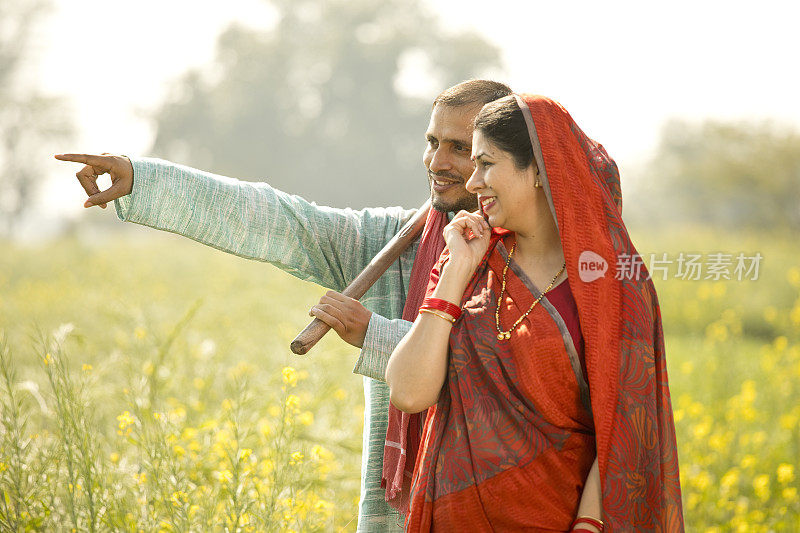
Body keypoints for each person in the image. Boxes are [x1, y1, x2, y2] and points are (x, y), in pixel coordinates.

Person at [54, 79, 513, 532]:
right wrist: (144, 180)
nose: (437, 161)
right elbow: (283, 220)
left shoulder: (535, 260)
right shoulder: (393, 242)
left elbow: (496, 374)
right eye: (432, 142)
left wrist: (375, 334)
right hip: (402, 513)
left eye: (459, 148)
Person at [386, 94, 684, 531]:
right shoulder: (467, 263)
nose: (473, 183)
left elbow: (625, 426)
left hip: (558, 518)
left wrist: (589, 525)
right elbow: (409, 394)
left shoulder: (613, 286)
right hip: (455, 516)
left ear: (540, 171)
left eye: (486, 164)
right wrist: (455, 275)